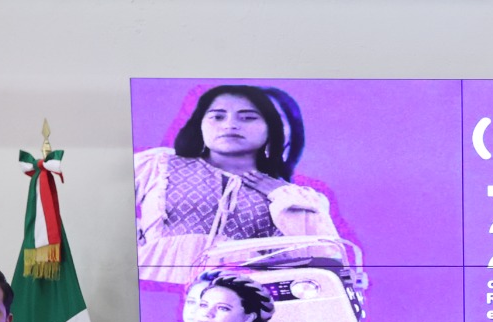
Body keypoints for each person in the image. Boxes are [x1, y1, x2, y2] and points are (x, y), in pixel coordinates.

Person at [135, 83, 348, 276]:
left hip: (237, 305)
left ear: (273, 129)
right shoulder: (158, 164)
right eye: (217, 116)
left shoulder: (295, 197)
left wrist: (282, 195)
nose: (230, 125)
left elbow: (324, 263)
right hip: (153, 290)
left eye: (248, 117)